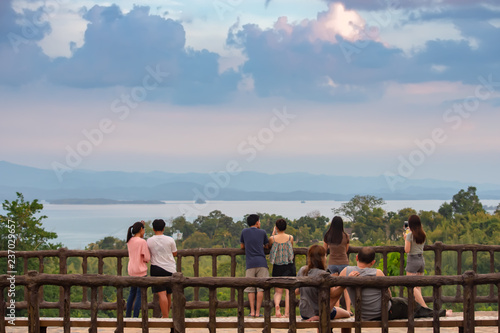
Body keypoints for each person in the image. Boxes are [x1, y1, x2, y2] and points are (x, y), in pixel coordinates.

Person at [339, 247, 450, 320]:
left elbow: (336, 289)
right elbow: (388, 295)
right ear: (373, 262)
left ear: (357, 257)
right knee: (408, 304)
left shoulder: (346, 271)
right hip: (383, 314)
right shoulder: (377, 273)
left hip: (362, 315)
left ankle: (437, 312)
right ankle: (440, 313)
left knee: (404, 303)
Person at [296, 244, 351, 322]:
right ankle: (320, 317)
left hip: (304, 312)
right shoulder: (323, 274)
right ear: (321, 258)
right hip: (320, 311)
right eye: (325, 256)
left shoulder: (302, 270)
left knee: (335, 310)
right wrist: (344, 283)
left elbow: (296, 291)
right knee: (347, 314)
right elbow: (333, 294)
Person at [147, 219, 178, 318]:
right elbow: (175, 253)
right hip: (170, 268)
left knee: (161, 294)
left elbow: (148, 253)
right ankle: (166, 315)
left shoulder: (149, 240)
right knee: (168, 294)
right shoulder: (170, 240)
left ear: (153, 229)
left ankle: (165, 317)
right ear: (164, 228)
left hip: (156, 268)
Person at [240, 214, 269, 317]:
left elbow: (242, 246)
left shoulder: (244, 232)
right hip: (262, 262)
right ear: (257, 222)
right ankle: (257, 312)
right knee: (261, 288)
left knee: (250, 289)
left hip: (250, 263)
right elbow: (267, 245)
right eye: (259, 221)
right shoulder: (262, 232)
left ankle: (251, 311)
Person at [323, 216, 351, 313]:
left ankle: (336, 308)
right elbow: (346, 250)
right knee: (346, 287)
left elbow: (324, 250)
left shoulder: (328, 236)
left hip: (332, 263)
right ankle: (348, 309)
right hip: (344, 262)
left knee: (334, 288)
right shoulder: (346, 236)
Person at [269, 218, 295, 318]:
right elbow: (291, 248)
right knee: (288, 291)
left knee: (278, 291)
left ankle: (277, 306)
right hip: (289, 266)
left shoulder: (273, 239)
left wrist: (273, 233)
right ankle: (287, 313)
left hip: (277, 266)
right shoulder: (290, 238)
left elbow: (270, 245)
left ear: (276, 227)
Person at [126, 221, 150, 318]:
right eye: (143, 229)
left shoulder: (129, 240)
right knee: (139, 295)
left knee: (132, 294)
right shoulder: (142, 242)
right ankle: (135, 317)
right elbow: (147, 258)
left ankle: (127, 316)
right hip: (140, 271)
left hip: (132, 270)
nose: (144, 232)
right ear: (141, 229)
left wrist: (140, 223)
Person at [404, 214, 427, 308]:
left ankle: (424, 306)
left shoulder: (410, 235)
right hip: (421, 259)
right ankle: (420, 307)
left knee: (411, 285)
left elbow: (407, 250)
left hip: (413, 260)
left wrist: (406, 239)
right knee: (418, 286)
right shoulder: (423, 234)